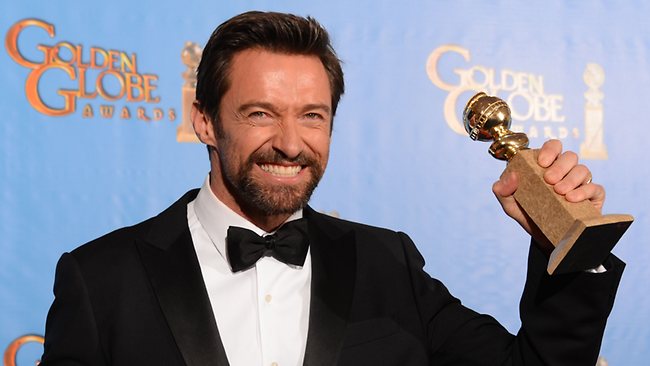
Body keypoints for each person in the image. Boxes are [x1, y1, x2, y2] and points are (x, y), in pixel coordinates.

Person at [40, 11, 624, 366]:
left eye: (313, 116)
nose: (291, 144)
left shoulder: (386, 262)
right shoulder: (101, 279)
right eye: (261, 114)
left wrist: (567, 246)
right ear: (204, 120)